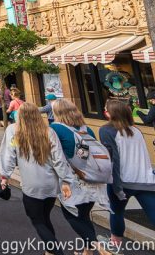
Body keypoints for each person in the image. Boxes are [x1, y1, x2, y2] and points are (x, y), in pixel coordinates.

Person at [0, 102, 75, 255]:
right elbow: (59, 159)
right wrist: (66, 181)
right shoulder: (49, 132)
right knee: (45, 217)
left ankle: (57, 251)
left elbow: (8, 155)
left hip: (31, 185)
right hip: (50, 185)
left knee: (37, 220)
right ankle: (49, 251)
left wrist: (5, 176)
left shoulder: (14, 130)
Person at [50, 99, 111, 255]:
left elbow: (54, 154)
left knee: (72, 215)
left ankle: (100, 248)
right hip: (92, 178)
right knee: (83, 215)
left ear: (57, 113)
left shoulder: (55, 128)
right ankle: (87, 252)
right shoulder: (86, 129)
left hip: (73, 180)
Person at [100, 99, 155, 250]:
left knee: (116, 212)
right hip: (144, 179)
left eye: (106, 109)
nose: (104, 111)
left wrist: (116, 187)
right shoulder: (136, 130)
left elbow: (113, 160)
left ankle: (115, 245)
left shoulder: (106, 130)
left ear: (111, 113)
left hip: (122, 181)